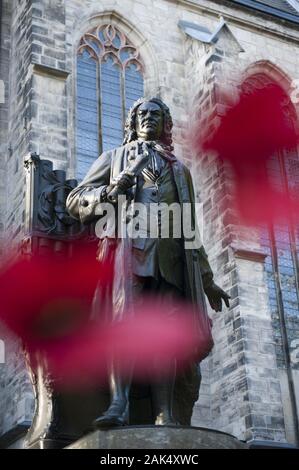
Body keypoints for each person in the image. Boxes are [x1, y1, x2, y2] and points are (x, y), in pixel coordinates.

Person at [66, 97, 230, 427]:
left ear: (165, 123)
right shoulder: (114, 159)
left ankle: (165, 413)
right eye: (142, 114)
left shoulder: (180, 171)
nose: (148, 118)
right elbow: (75, 200)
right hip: (129, 254)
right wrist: (110, 191)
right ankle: (119, 404)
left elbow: (190, 229)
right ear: (133, 121)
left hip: (171, 261)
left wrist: (208, 280)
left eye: (156, 114)